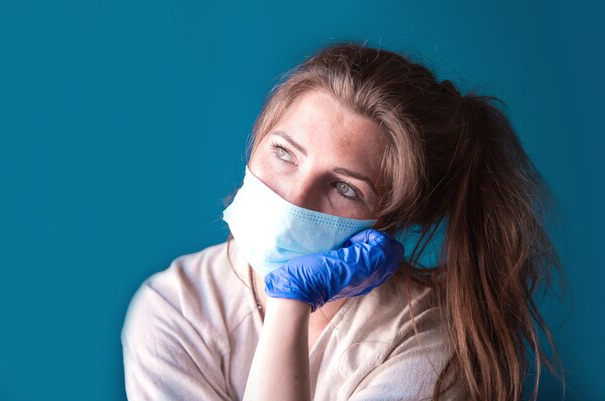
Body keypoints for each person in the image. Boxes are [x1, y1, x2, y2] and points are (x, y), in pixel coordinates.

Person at [121, 41, 565, 401]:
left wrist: (289, 304)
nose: (294, 196)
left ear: (388, 221)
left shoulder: (425, 346)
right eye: (283, 153)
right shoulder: (172, 311)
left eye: (345, 188)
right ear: (255, 140)